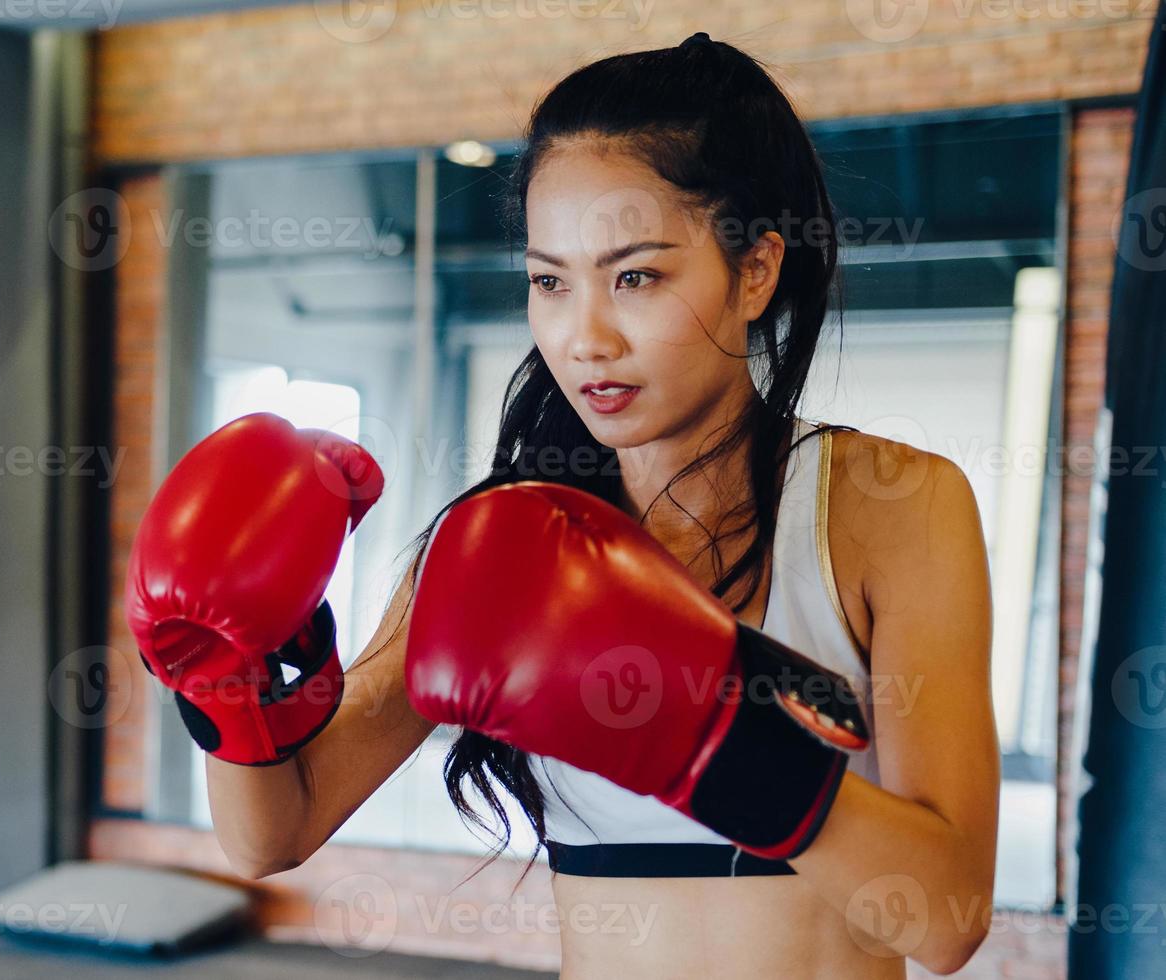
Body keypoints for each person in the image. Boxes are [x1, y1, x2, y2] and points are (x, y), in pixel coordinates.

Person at [125, 32, 999, 979]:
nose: (583, 338)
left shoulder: (889, 509)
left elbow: (947, 919)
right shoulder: (501, 548)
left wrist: (701, 725)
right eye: (549, 281)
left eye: (636, 277)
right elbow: (273, 835)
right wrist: (225, 679)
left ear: (756, 271)